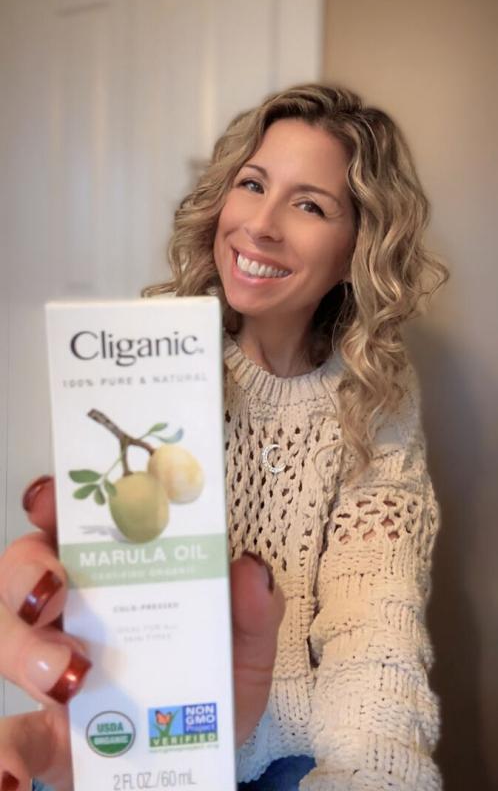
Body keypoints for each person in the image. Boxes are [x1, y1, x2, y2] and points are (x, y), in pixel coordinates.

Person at [0, 83, 447, 791]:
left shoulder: (376, 395)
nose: (260, 225)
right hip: (145, 739)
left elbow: (374, 620)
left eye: (309, 205)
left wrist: (372, 773)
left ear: (357, 248)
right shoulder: (150, 361)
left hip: (302, 754)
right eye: (252, 184)